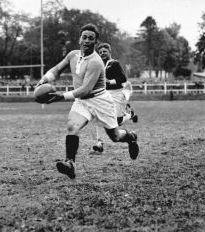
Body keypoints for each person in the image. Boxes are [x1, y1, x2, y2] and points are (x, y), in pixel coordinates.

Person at [36, 24, 139, 179]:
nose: (87, 41)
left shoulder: (96, 62)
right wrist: (44, 80)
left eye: (91, 38)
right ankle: (70, 164)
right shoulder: (72, 55)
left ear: (95, 43)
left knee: (115, 136)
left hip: (100, 101)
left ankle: (130, 137)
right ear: (79, 39)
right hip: (82, 101)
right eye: (84, 37)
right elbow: (57, 70)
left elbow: (86, 89)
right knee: (72, 127)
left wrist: (60, 96)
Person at [93, 43, 138, 153]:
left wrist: (109, 81)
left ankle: (130, 115)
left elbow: (123, 78)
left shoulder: (114, 63)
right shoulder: (100, 66)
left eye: (104, 51)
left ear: (109, 52)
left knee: (117, 122)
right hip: (104, 95)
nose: (102, 53)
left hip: (117, 94)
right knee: (99, 118)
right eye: (100, 52)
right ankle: (99, 143)